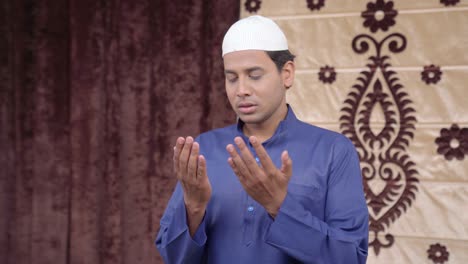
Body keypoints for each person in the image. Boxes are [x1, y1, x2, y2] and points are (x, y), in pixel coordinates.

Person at [155, 15, 368, 263]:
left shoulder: (333, 150)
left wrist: (279, 205)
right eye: (232, 77)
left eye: (254, 75)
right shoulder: (204, 150)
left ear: (286, 73)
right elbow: (172, 257)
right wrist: (193, 206)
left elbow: (351, 257)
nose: (241, 89)